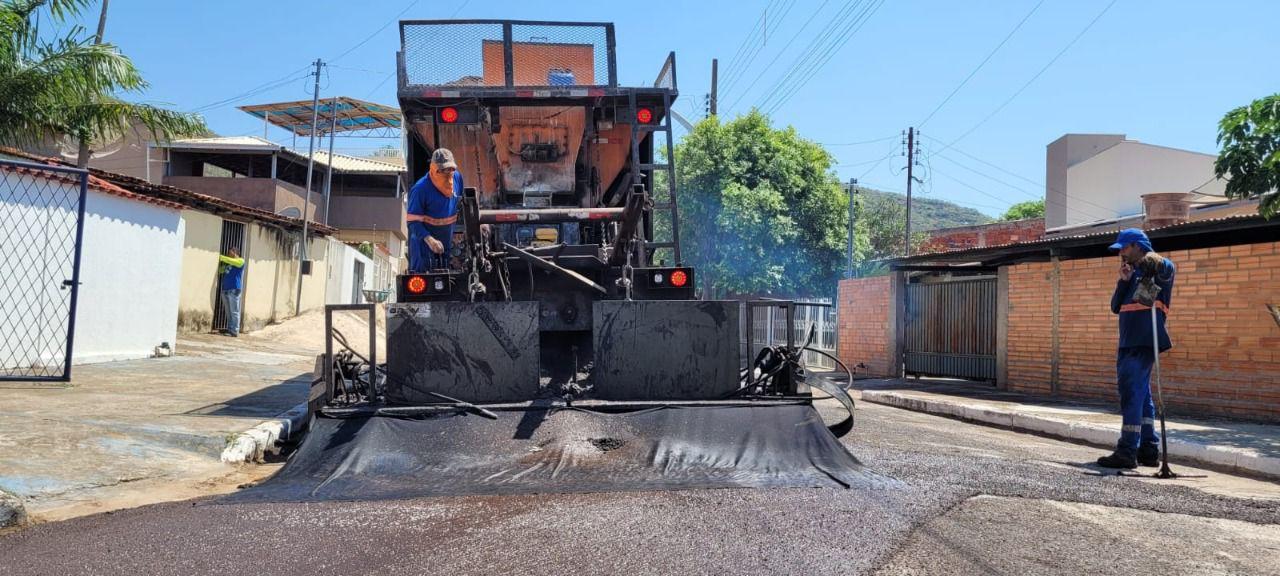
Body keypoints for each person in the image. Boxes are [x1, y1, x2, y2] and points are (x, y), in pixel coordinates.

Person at [1097, 228, 1175, 469]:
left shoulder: (1162, 266)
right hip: (1128, 341)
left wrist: (1150, 264)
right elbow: (1114, 306)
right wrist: (1124, 280)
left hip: (1145, 338)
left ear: (1138, 246)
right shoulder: (1129, 273)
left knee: (1131, 392)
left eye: (1124, 247)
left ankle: (1127, 450)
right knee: (1142, 396)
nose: (1121, 252)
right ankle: (1148, 449)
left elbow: (1162, 274)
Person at [406, 148, 463, 272]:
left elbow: (461, 203)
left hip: (446, 243)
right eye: (442, 170)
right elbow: (412, 222)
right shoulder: (420, 189)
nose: (448, 172)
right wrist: (430, 240)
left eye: (451, 169)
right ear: (433, 169)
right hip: (424, 246)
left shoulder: (457, 179)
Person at [218, 247, 246, 337]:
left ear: (235, 252)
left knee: (234, 311)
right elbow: (220, 270)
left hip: (234, 289)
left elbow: (232, 261)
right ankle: (230, 329)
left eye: (230, 253)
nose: (228, 255)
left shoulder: (241, 261)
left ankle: (234, 330)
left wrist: (221, 257)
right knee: (228, 311)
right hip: (226, 289)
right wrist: (224, 263)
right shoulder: (228, 263)